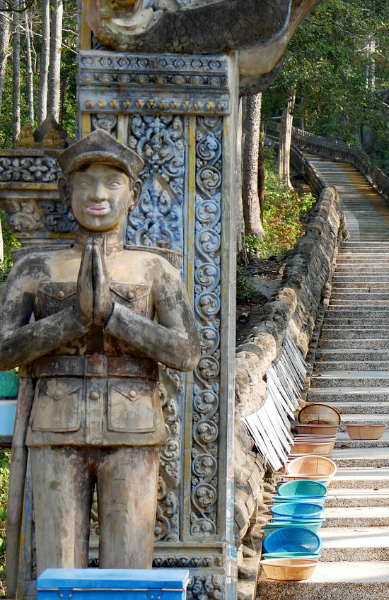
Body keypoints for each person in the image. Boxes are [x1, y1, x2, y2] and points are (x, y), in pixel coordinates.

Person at [0, 129, 201, 574]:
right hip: (55, 426)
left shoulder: (155, 269)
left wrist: (115, 316)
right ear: (65, 190)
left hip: (133, 428)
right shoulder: (35, 267)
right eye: (85, 181)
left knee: (128, 570)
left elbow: (187, 351)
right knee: (57, 570)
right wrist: (69, 320)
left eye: (112, 183)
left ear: (134, 194)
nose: (97, 194)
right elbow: (2, 348)